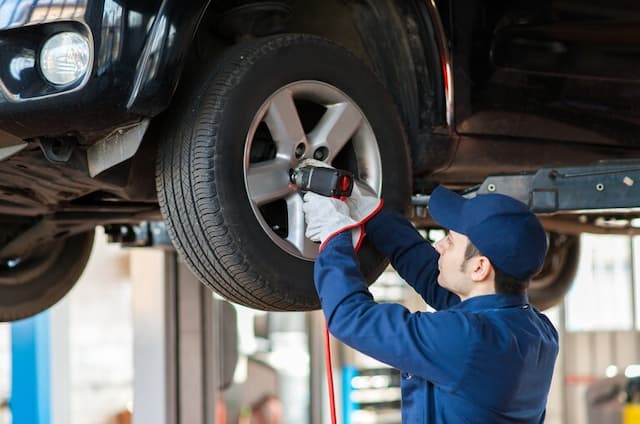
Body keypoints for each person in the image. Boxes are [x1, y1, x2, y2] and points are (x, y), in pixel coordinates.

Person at [302, 178, 559, 423]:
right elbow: (430, 276)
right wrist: (375, 215)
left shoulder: (469, 340)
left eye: (449, 240)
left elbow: (351, 318)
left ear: (479, 269)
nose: (439, 246)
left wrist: (333, 235)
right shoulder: (536, 330)